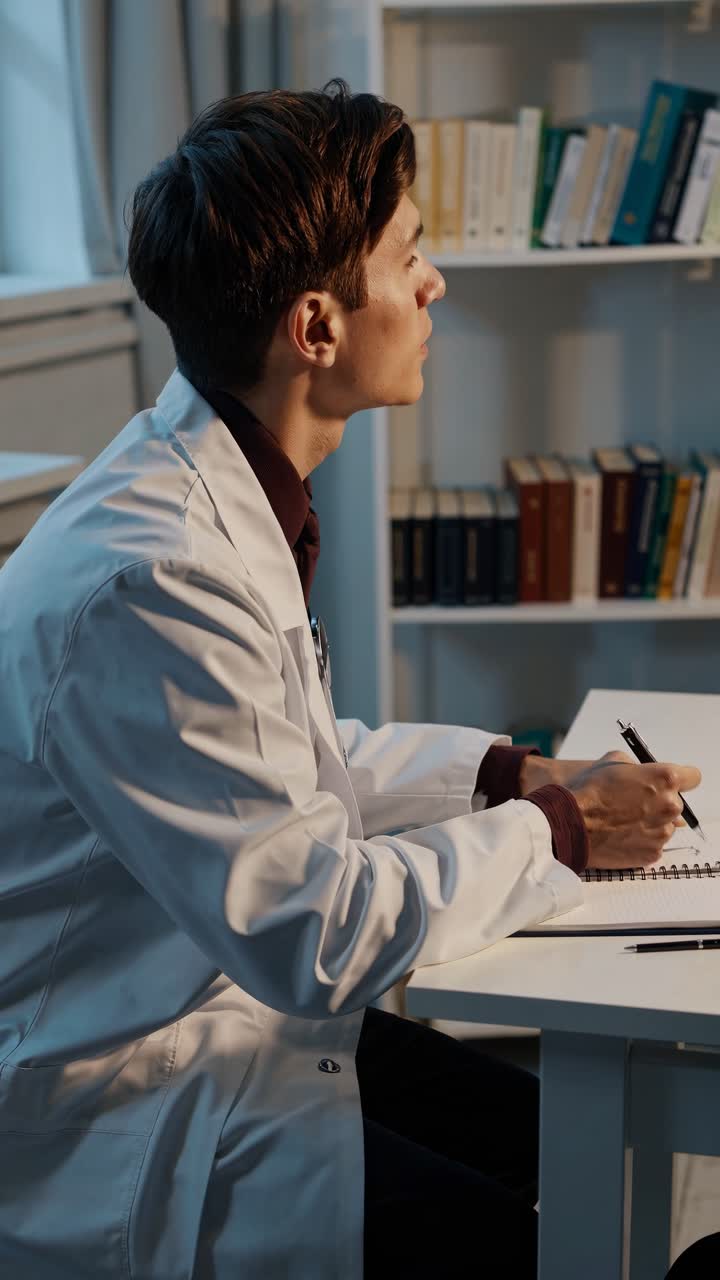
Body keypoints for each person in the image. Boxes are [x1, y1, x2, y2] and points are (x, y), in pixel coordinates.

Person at [0, 79, 701, 1280]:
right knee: (540, 1229)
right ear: (317, 327)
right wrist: (565, 827)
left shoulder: (206, 475)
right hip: (125, 1087)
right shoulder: (152, 573)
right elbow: (314, 930)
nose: (435, 284)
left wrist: (506, 772)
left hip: (222, 1017)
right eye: (410, 254)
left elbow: (287, 757)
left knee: (571, 1142)